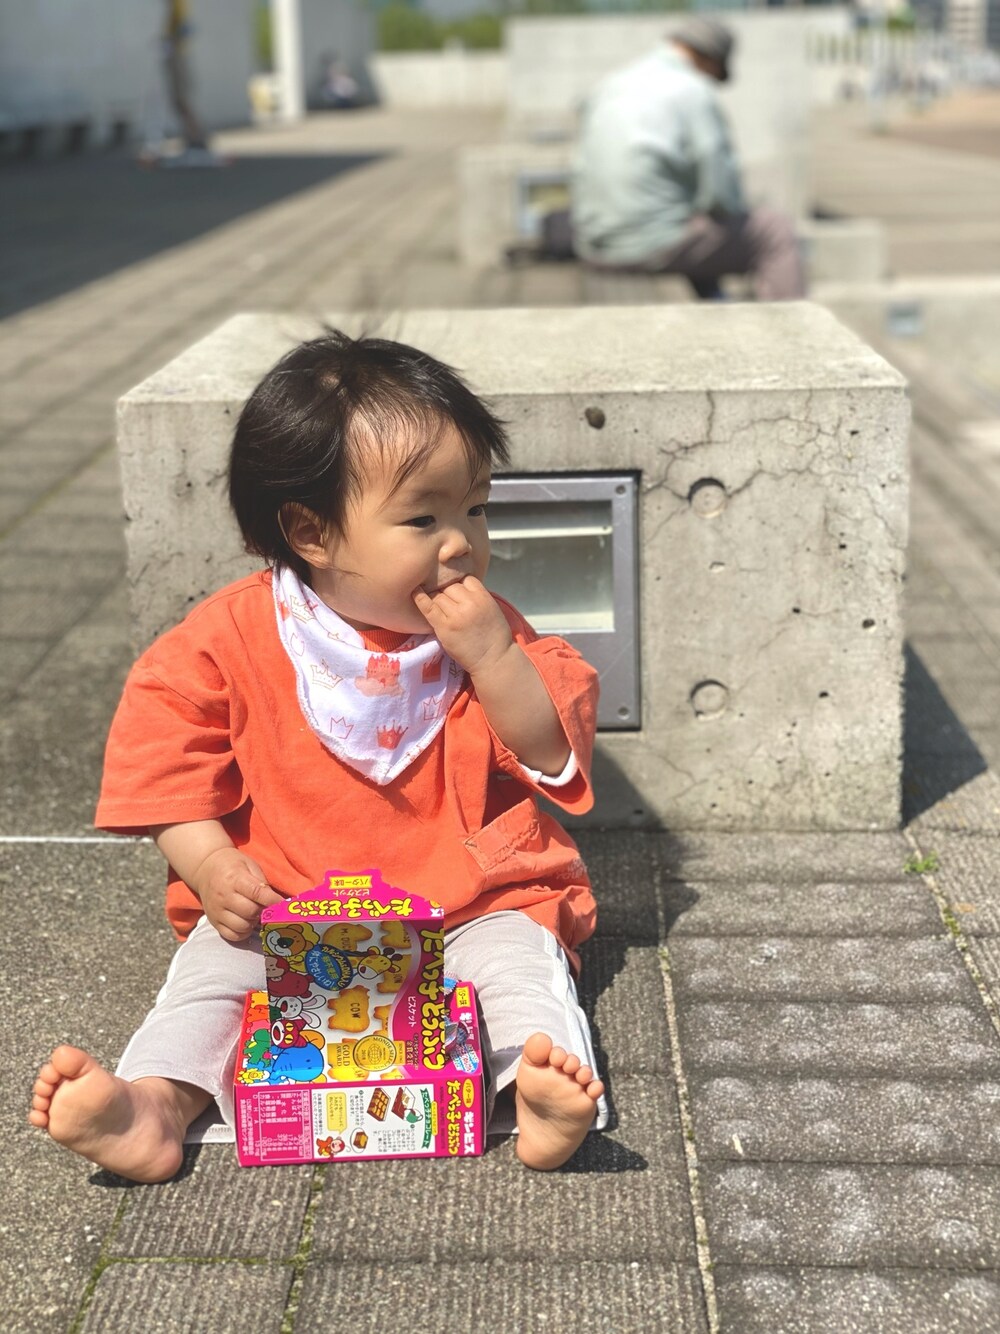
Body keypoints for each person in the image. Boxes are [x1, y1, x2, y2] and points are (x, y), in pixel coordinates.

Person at [29, 331, 607, 1181]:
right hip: (288, 905)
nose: (461, 543)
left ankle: (532, 1086)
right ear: (312, 532)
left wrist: (493, 660)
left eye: (476, 509)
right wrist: (210, 862)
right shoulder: (229, 638)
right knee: (212, 978)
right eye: (423, 519)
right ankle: (154, 1105)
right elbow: (168, 768)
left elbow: (549, 749)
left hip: (466, 900)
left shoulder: (486, 632)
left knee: (519, 957)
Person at [571, 16, 805, 301]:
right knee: (774, 231)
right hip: (648, 248)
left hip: (592, 246)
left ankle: (715, 304)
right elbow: (721, 194)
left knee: (693, 221)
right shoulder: (693, 90)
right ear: (708, 57)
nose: (712, 80)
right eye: (715, 72)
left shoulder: (611, 84)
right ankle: (790, 323)